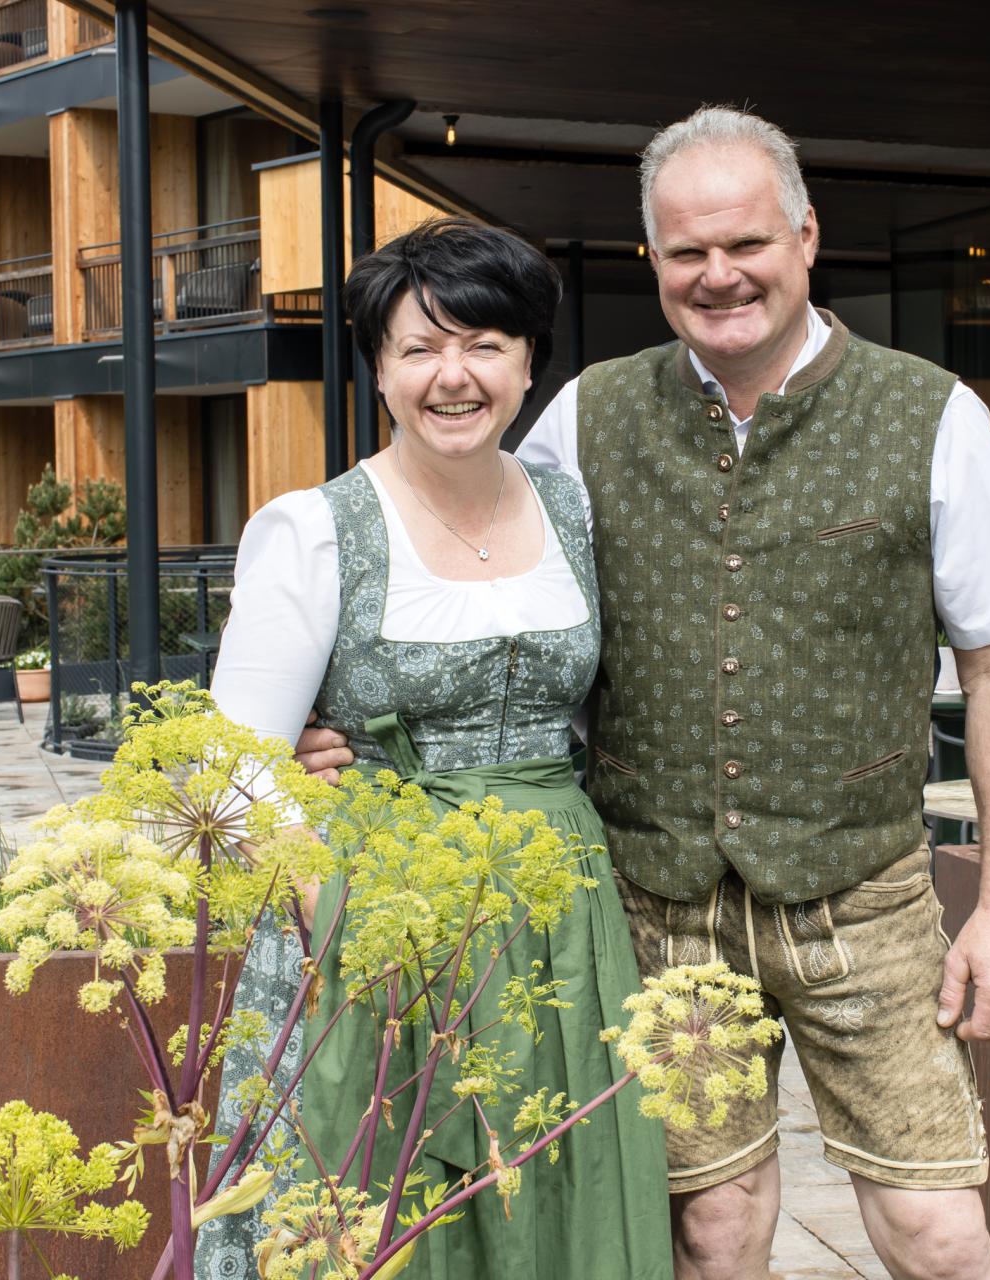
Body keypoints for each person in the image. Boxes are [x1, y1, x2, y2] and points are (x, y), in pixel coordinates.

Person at [299, 107, 990, 1280]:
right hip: (657, 906)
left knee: (935, 1227)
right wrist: (343, 715)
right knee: (709, 1228)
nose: (719, 276)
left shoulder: (932, 414)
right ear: (650, 262)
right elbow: (476, 576)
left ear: (805, 237)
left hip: (861, 893)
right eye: (685, 252)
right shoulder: (582, 416)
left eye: (744, 243)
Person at [196, 218, 673, 1280]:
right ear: (377, 368)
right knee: (384, 1196)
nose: (452, 377)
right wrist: (343, 912)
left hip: (562, 914)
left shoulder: (573, 506)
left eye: (484, 345)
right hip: (378, 915)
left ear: (527, 362)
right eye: (418, 348)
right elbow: (227, 769)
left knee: (561, 1187)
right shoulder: (314, 531)